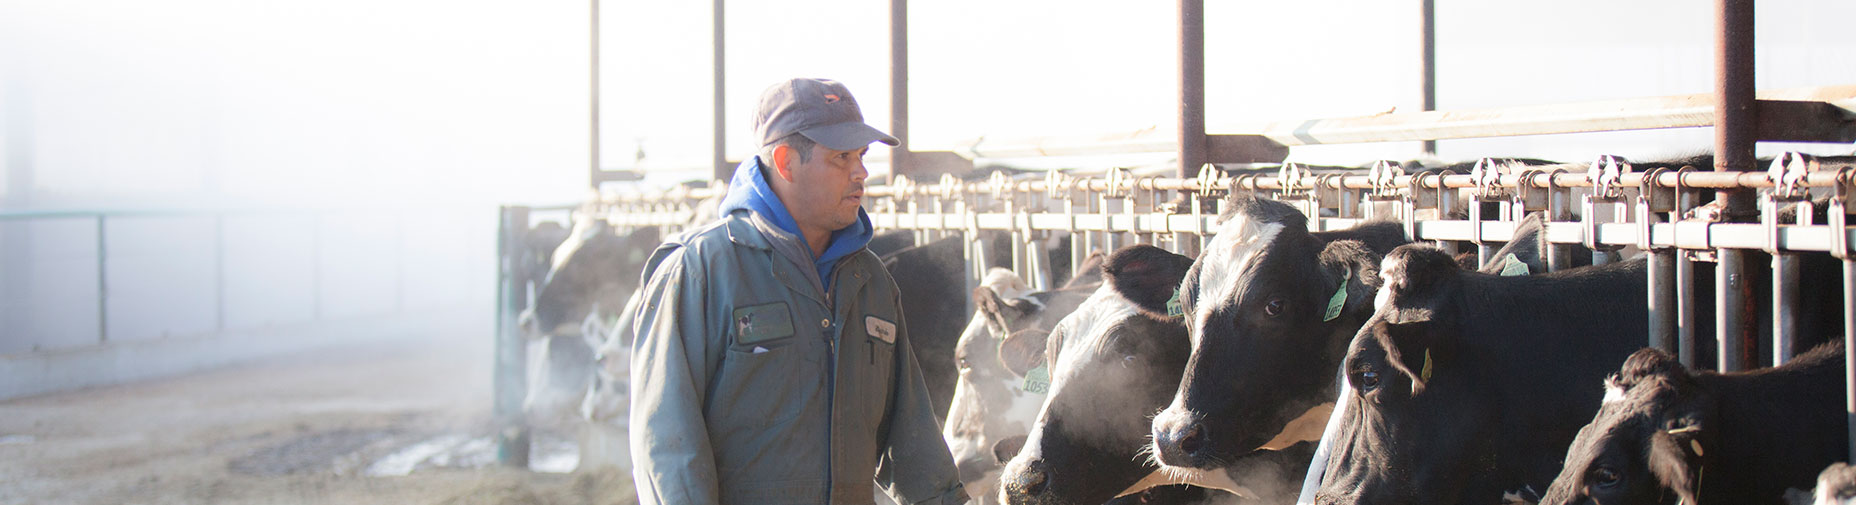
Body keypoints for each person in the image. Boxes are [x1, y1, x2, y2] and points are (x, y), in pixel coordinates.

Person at [628, 78, 967, 505]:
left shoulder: (871, 281)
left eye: (861, 156)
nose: (861, 172)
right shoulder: (700, 272)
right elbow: (666, 446)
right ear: (786, 162)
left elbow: (913, 438)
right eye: (841, 157)